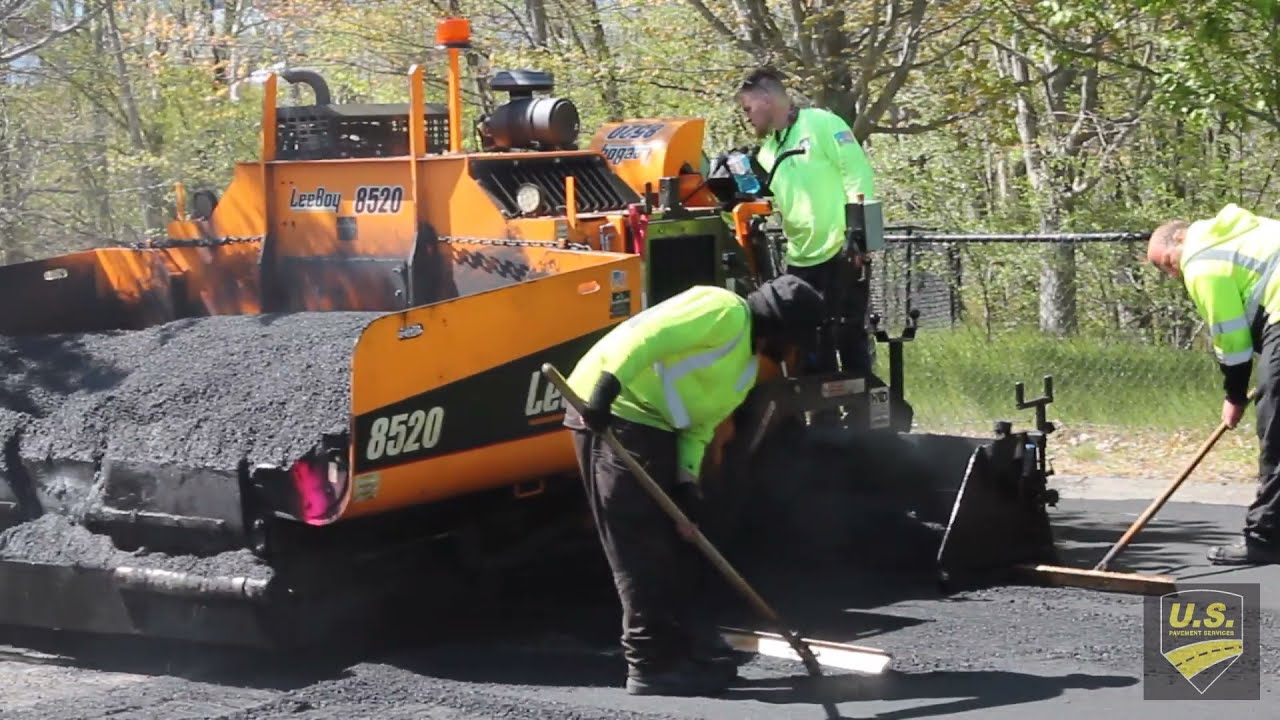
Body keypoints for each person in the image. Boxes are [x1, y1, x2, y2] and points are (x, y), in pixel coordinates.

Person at [562, 275, 826, 696]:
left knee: (677, 542)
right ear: (780, 329)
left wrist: (687, 482)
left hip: (657, 425)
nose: (793, 354)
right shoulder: (722, 310)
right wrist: (604, 392)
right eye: (795, 342)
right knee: (639, 540)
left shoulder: (744, 370)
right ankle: (649, 666)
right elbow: (648, 339)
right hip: (612, 411)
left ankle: (680, 651)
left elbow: (699, 428)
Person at [1147, 203, 1280, 566]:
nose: (1172, 273)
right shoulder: (1243, 232)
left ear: (1180, 238)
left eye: (1166, 262)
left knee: (1277, 433)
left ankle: (1265, 538)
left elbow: (1232, 342)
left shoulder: (1200, 259)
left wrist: (1234, 395)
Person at [734, 67, 878, 376]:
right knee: (808, 337)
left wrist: (863, 236)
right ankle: (823, 415)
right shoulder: (769, 151)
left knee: (847, 332)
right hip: (801, 258)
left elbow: (859, 172)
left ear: (767, 99)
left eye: (748, 108)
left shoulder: (822, 123)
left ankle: (863, 414)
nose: (746, 116)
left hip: (841, 247)